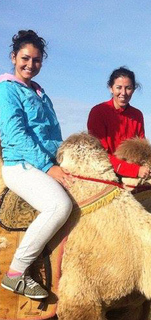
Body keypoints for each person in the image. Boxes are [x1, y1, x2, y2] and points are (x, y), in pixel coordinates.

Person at [0, 30, 73, 299]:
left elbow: (52, 135)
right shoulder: (7, 90)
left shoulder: (41, 93)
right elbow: (16, 134)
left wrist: (66, 160)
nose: (31, 64)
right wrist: (48, 166)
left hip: (46, 161)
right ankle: (16, 273)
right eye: (25, 58)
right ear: (13, 57)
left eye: (37, 60)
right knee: (59, 205)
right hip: (21, 164)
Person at [87, 67, 151, 180]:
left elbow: (142, 149)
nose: (123, 93)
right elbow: (99, 153)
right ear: (110, 88)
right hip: (106, 173)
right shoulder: (98, 112)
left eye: (128, 88)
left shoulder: (137, 115)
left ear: (133, 89)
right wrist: (135, 170)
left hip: (134, 173)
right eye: (119, 88)